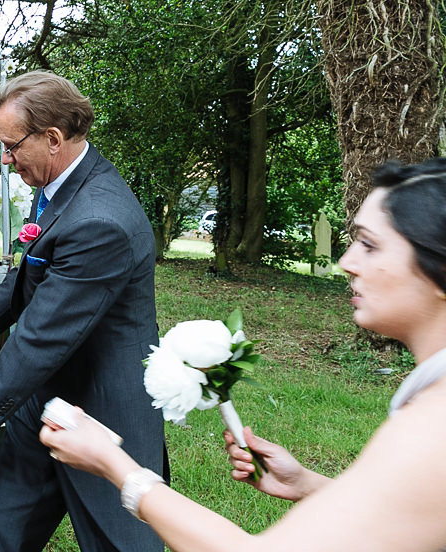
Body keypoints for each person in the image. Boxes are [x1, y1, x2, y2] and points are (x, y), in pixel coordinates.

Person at [39, 157, 446, 552]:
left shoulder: (430, 430)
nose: (347, 262)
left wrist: (115, 465)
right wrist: (308, 484)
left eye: (371, 246)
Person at [0, 70, 165, 552]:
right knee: (0, 533)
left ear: (53, 138)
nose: (6, 158)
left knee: (121, 544)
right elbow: (32, 270)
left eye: (12, 146)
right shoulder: (56, 184)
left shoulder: (101, 220)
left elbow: (43, 333)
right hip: (42, 397)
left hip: (104, 411)